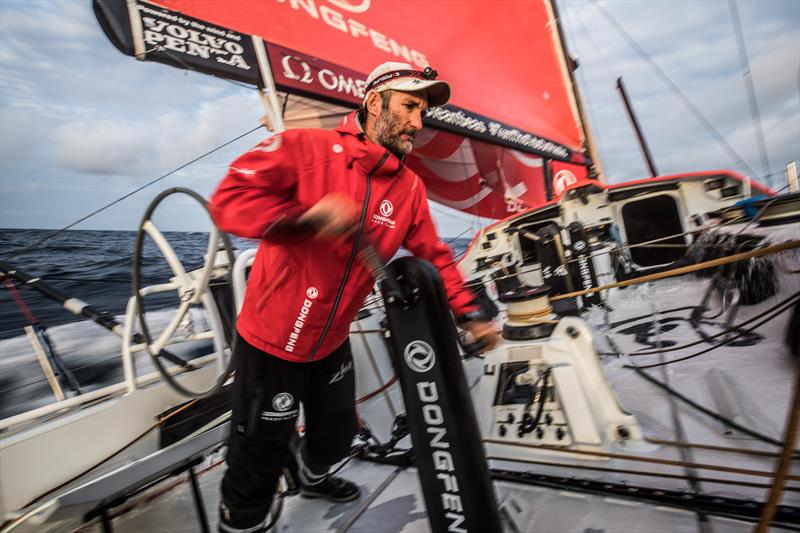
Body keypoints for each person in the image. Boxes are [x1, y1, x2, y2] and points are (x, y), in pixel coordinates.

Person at [209, 61, 500, 532]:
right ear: (373, 102)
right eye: (409, 106)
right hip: (271, 340)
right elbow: (229, 200)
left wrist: (470, 313)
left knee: (339, 435)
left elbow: (435, 255)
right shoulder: (306, 149)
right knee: (257, 451)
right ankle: (241, 524)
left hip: (331, 341)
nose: (417, 122)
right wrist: (305, 218)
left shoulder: (408, 188)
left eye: (422, 111)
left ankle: (310, 474)